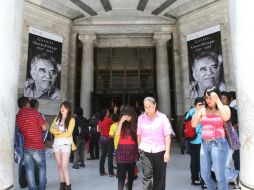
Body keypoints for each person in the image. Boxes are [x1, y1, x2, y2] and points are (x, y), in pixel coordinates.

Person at [191, 87, 231, 190]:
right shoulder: (203, 110)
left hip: (219, 144)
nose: (208, 100)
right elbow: (193, 124)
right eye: (207, 97)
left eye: (211, 97)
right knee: (205, 176)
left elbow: (226, 117)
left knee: (219, 176)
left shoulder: (224, 108)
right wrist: (197, 111)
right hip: (204, 144)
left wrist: (218, 100)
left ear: (217, 96)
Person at [137, 97, 172, 190]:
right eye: (145, 107)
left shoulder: (162, 117)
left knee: (159, 177)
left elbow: (167, 135)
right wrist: (139, 148)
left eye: (149, 106)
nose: (147, 109)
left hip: (160, 151)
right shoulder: (141, 118)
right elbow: (139, 134)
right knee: (147, 176)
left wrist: (167, 152)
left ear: (155, 105)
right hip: (145, 150)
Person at [16, 96, 48, 190]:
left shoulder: (18, 117)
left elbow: (19, 131)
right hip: (38, 146)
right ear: (27, 104)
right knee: (41, 168)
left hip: (26, 147)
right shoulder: (35, 112)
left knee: (29, 169)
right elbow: (45, 127)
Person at [50, 101, 76, 190]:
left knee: (64, 166)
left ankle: (68, 186)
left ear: (68, 109)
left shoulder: (71, 120)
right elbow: (51, 129)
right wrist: (60, 132)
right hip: (56, 145)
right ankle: (62, 185)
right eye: (61, 107)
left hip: (65, 145)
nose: (62, 108)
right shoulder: (57, 118)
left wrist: (57, 134)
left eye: (64, 107)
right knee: (59, 166)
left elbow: (69, 133)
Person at [185, 97, 206, 188]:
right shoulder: (204, 112)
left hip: (192, 139)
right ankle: (202, 179)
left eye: (203, 104)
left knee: (194, 160)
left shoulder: (190, 111)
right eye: (200, 104)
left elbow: (185, 120)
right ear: (195, 105)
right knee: (201, 161)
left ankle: (194, 178)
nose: (201, 106)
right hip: (201, 140)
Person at [116, 105, 139, 190]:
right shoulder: (120, 124)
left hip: (132, 150)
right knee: (121, 176)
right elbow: (117, 134)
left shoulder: (136, 124)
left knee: (131, 175)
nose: (126, 117)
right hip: (122, 149)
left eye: (128, 115)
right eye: (124, 115)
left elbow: (139, 137)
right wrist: (121, 122)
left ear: (132, 115)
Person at [97, 108, 114, 176]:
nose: (109, 113)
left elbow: (98, 130)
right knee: (110, 156)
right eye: (108, 112)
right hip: (108, 139)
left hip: (101, 138)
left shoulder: (100, 121)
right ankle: (111, 172)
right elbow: (115, 121)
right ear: (106, 113)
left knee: (103, 156)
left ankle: (102, 171)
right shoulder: (109, 120)